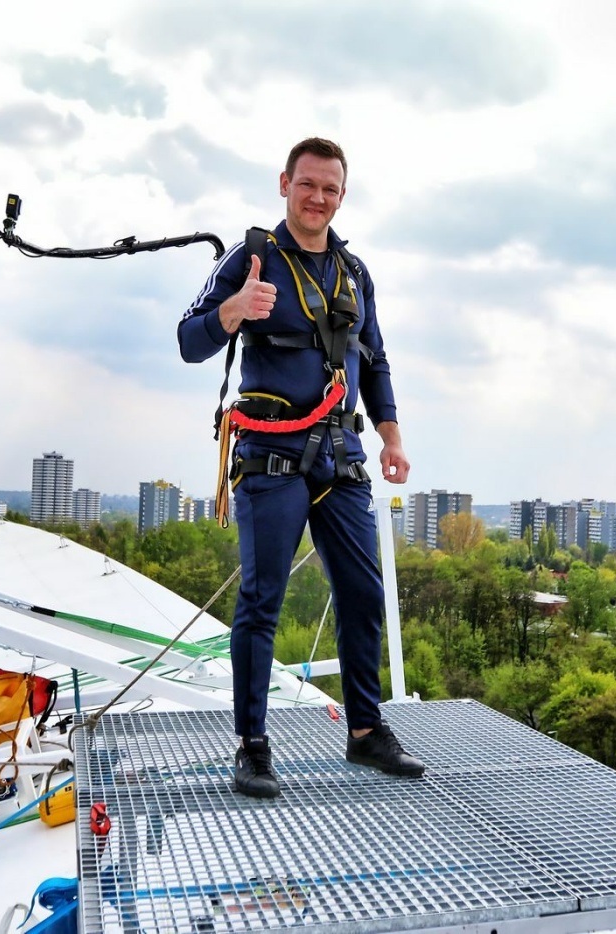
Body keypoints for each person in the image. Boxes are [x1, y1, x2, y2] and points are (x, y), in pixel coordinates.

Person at [179, 137, 424, 798]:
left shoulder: (353, 272)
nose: (318, 198)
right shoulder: (251, 258)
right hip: (271, 455)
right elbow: (187, 340)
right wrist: (234, 312)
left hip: (340, 453)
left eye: (331, 188)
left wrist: (392, 437)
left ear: (342, 195)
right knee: (262, 598)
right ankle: (252, 746)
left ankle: (367, 732)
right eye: (307, 184)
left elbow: (374, 361)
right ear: (284, 183)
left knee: (364, 593)